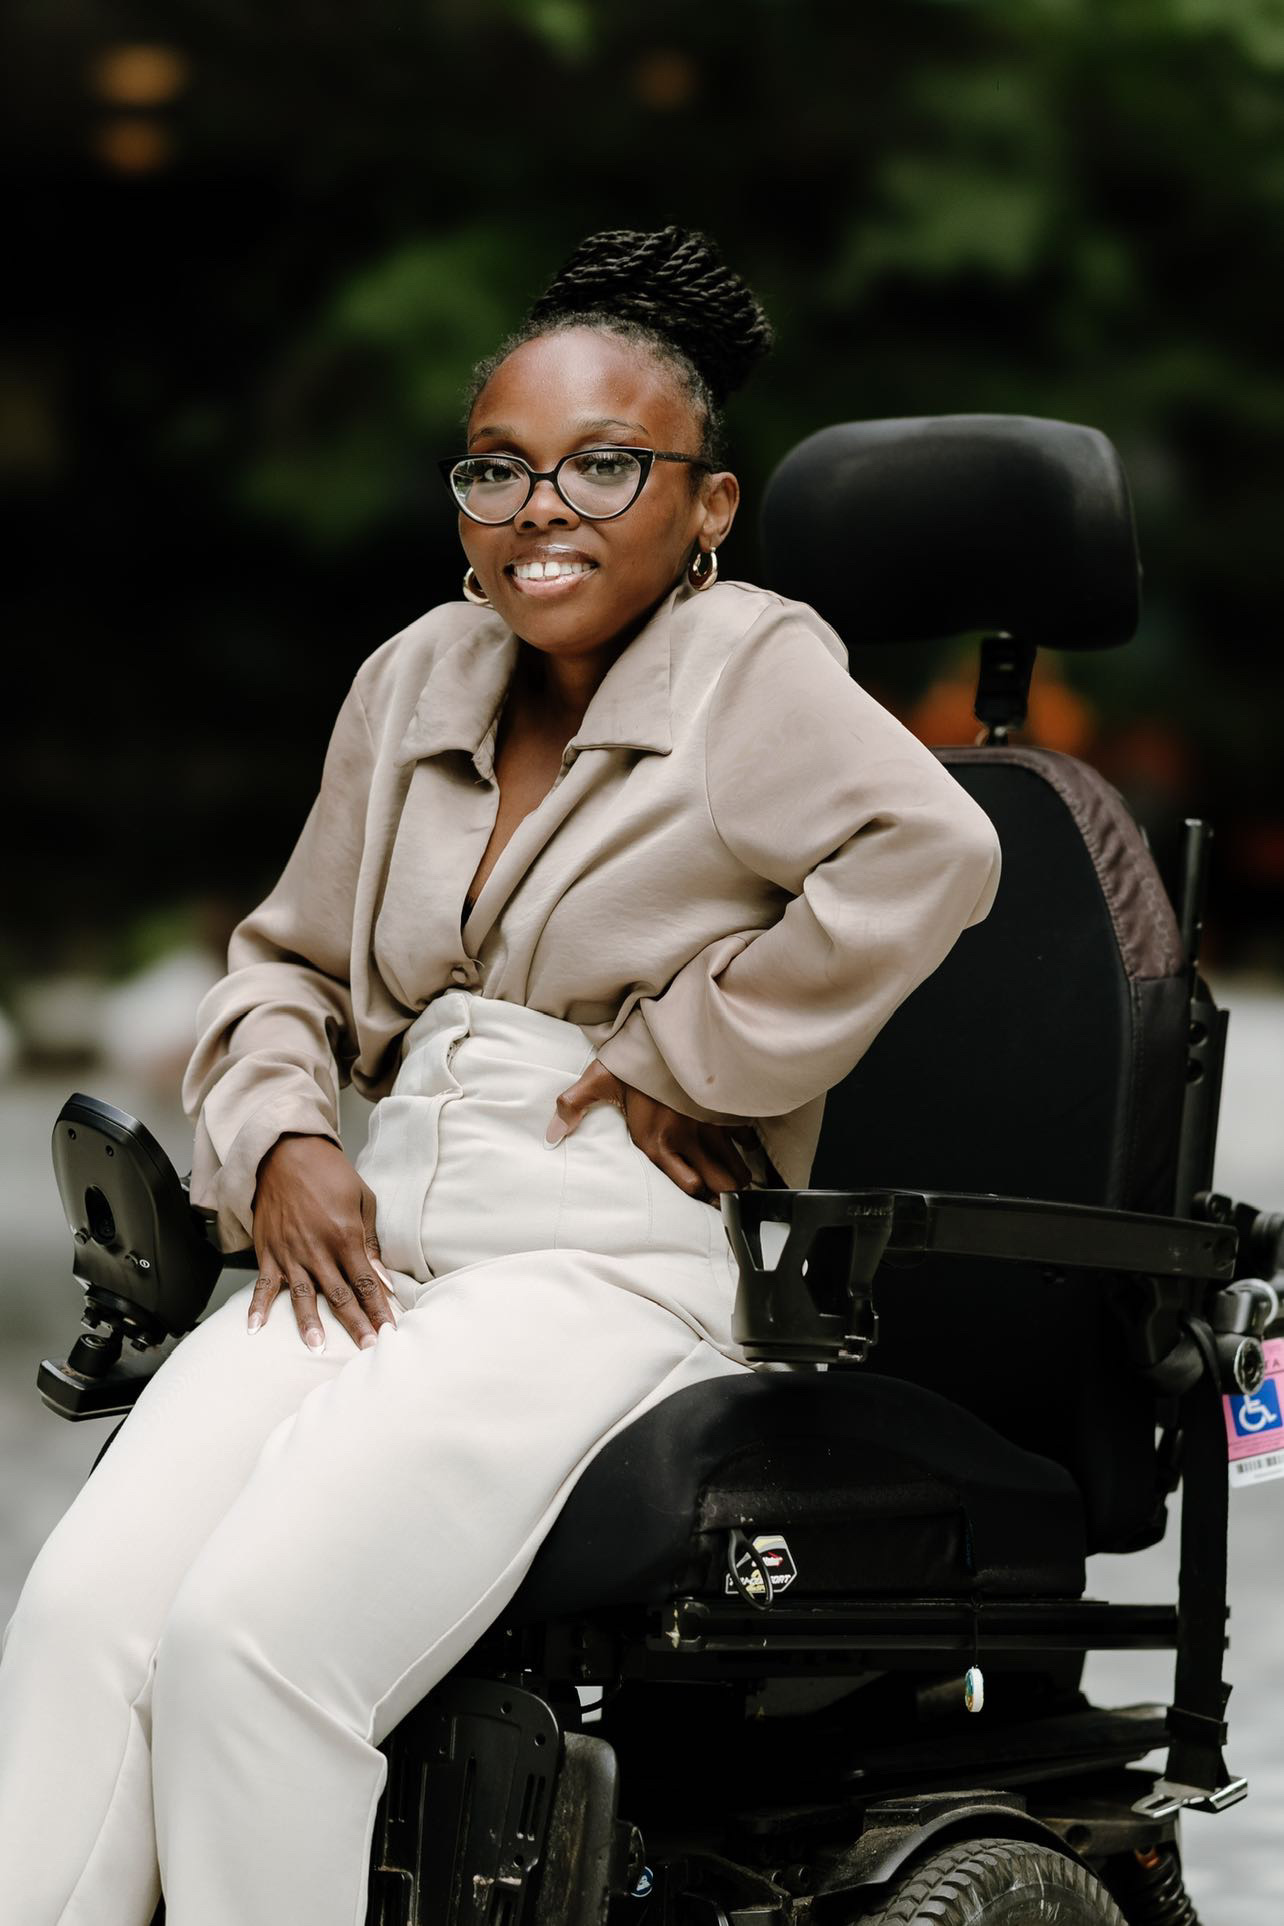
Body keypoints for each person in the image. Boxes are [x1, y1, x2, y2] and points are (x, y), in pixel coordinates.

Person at [0, 225, 1001, 1925]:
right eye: (503, 469)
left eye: (608, 467)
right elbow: (290, 960)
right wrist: (286, 1135)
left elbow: (938, 850)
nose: (547, 508)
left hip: (599, 1246)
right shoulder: (415, 676)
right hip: (371, 1229)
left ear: (708, 505)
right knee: (87, 1619)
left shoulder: (755, 666)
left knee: (260, 1647)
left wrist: (695, 1043)